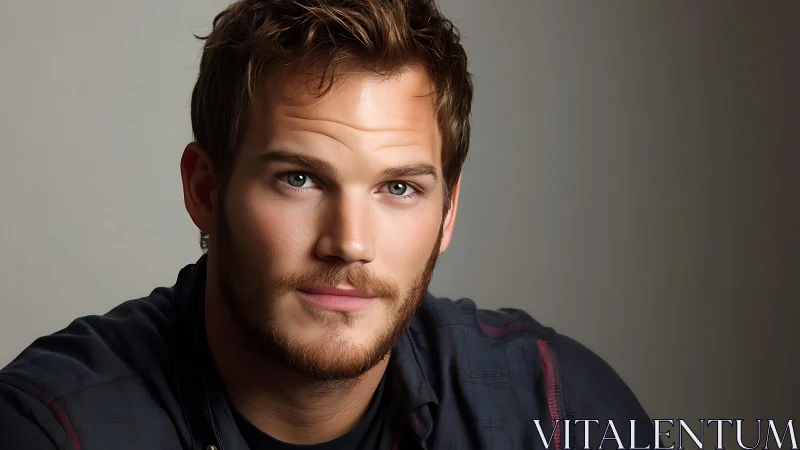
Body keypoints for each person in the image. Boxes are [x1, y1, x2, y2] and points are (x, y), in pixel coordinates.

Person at [0, 0, 657, 448]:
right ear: (205, 191)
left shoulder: (555, 407)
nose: (349, 243)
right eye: (299, 179)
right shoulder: (53, 427)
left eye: (398, 188)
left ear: (447, 212)